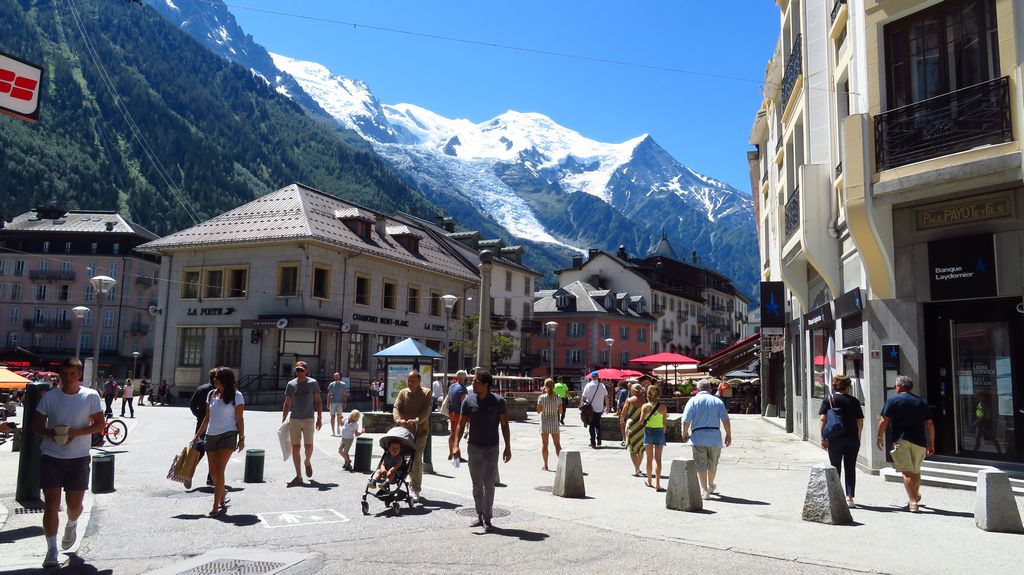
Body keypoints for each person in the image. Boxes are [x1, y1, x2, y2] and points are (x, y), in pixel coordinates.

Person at [32, 357, 104, 568]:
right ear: (60, 375)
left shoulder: (90, 396)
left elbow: (99, 424)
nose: (68, 378)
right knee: (51, 505)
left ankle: (72, 524)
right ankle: (52, 549)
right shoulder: (50, 397)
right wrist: (50, 433)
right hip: (51, 456)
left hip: (78, 458)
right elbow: (36, 425)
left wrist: (77, 433)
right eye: (64, 374)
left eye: (72, 374)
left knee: (74, 506)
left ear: (79, 375)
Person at [450, 371, 511, 532]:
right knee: (477, 483)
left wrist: (508, 447)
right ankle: (479, 515)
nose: (473, 384)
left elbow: (505, 425)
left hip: (492, 447)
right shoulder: (468, 401)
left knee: (489, 482)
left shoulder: (498, 401)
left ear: (486, 385)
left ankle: (488, 518)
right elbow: (460, 425)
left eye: (476, 382)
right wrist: (456, 445)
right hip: (474, 447)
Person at [876, 375, 934, 512]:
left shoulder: (892, 400)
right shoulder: (920, 402)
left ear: (899, 386)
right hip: (920, 441)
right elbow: (930, 424)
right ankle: (915, 495)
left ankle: (912, 501)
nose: (895, 388)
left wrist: (879, 436)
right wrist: (931, 442)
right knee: (916, 471)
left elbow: (884, 420)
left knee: (906, 472)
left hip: (901, 440)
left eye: (896, 386)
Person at [193, 367, 245, 517]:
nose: (213, 380)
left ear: (224, 379)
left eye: (216, 377)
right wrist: (197, 435)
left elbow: (240, 419)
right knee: (213, 472)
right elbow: (207, 418)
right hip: (211, 435)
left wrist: (241, 438)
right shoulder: (211, 394)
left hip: (228, 435)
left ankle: (216, 505)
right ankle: (223, 491)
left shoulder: (237, 395)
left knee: (220, 469)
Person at [818, 374, 864, 507]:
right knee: (850, 467)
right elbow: (859, 421)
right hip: (852, 439)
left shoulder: (829, 399)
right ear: (848, 387)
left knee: (835, 466)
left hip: (834, 439)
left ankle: (835, 496)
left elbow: (822, 419)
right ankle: (849, 498)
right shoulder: (854, 401)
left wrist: (823, 438)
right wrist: (858, 437)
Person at [682, 380, 732, 500]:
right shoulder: (717, 401)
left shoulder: (693, 400)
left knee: (701, 464)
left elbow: (686, 419)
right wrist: (728, 434)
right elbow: (725, 419)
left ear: (698, 389)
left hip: (698, 436)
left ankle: (704, 490)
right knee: (713, 463)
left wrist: (684, 432)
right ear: (710, 389)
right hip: (714, 436)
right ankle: (710, 484)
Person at [393, 370, 431, 503]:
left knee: (416, 458)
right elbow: (396, 407)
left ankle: (416, 488)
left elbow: (427, 410)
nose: (410, 383)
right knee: (402, 457)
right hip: (404, 432)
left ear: (419, 381)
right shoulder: (403, 392)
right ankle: (401, 483)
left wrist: (417, 420)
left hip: (420, 432)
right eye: (409, 380)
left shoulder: (426, 392)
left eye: (413, 380)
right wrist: (398, 419)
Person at [282, 361, 322, 485]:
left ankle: (307, 462)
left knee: (308, 446)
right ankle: (298, 476)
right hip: (295, 419)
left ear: (306, 371)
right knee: (296, 447)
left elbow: (318, 401)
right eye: (297, 370)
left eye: (301, 370)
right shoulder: (291, 384)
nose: (299, 372)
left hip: (309, 418)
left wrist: (320, 417)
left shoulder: (313, 383)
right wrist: (283, 419)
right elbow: (287, 402)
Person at [187, 370, 216, 489]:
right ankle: (211, 478)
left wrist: (198, 415)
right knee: (214, 451)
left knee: (198, 451)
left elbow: (192, 405)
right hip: (214, 425)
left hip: (201, 424)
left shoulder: (201, 388)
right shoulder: (217, 391)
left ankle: (189, 473)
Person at [640, 385, 669, 491]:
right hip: (659, 432)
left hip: (649, 432)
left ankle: (649, 480)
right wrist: (663, 431)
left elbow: (641, 421)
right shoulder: (663, 407)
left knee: (649, 458)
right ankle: (658, 484)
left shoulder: (645, 406)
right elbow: (665, 422)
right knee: (658, 459)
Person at [619, 383, 646, 476]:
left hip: (631, 425)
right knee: (641, 449)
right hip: (642, 426)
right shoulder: (644, 400)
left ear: (634, 391)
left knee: (632, 449)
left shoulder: (629, 400)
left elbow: (623, 413)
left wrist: (622, 420)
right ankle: (639, 467)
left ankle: (636, 469)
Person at [536, 378, 562, 471]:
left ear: (545, 387)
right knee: (557, 444)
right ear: (554, 386)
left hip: (545, 423)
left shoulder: (541, 397)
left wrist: (542, 394)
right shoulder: (558, 397)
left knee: (545, 444)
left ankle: (546, 465)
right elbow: (561, 411)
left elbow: (538, 411)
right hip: (554, 422)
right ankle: (562, 465)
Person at [580, 373, 609, 448]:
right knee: (598, 424)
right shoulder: (602, 386)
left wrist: (581, 406)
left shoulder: (588, 385)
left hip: (590, 409)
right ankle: (599, 439)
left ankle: (593, 442)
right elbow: (606, 397)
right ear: (598, 377)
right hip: (600, 408)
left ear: (591, 377)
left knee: (592, 425)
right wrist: (607, 407)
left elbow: (583, 397)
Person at [447, 370, 469, 462]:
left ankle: (450, 452)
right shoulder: (463, 388)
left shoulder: (452, 386)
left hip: (451, 413)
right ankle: (456, 455)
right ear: (464, 378)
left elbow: (449, 399)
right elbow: (463, 403)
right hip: (458, 414)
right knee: (457, 435)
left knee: (452, 434)